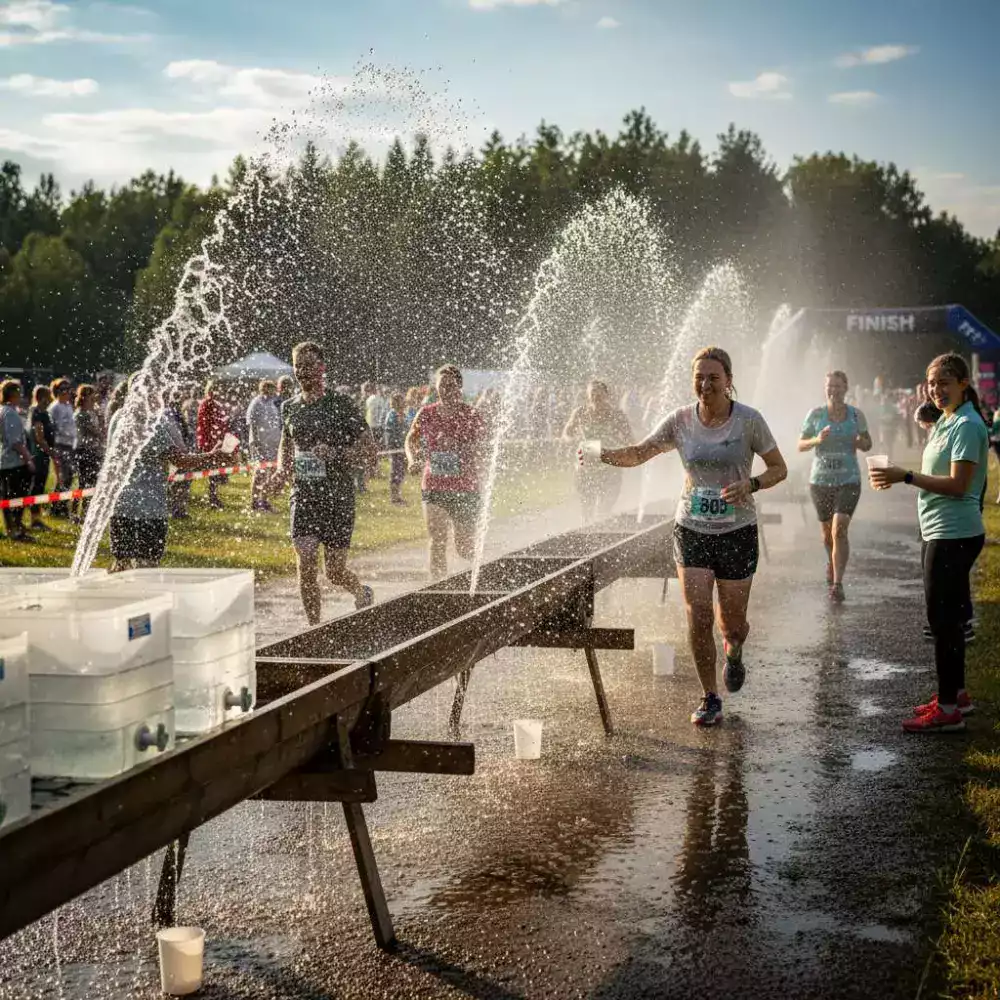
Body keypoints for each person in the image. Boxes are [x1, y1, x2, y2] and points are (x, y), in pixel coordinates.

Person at [592, 346, 787, 727]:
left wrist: (752, 484)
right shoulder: (680, 420)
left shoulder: (749, 421)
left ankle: (733, 651)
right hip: (692, 528)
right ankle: (710, 696)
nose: (705, 383)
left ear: (729, 381)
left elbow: (779, 468)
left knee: (732, 625)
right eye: (699, 376)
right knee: (697, 617)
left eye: (714, 376)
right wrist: (601, 455)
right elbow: (640, 452)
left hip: (737, 531)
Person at [869, 353, 988, 733]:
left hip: (954, 532)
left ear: (963, 384)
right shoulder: (948, 420)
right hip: (939, 529)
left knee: (944, 621)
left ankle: (949, 710)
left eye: (944, 383)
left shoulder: (967, 425)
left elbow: (958, 486)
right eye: (931, 383)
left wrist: (905, 476)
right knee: (947, 618)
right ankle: (958, 695)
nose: (936, 390)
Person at [269, 341, 376, 625]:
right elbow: (286, 444)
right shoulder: (290, 407)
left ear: (322, 368)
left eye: (308, 366)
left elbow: (370, 450)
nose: (302, 372)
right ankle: (313, 629)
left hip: (338, 497)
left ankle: (360, 590)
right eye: (298, 366)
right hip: (303, 495)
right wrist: (281, 470)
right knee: (305, 563)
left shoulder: (341, 404)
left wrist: (337, 452)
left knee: (335, 571)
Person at [107, 377, 227, 572]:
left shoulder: (118, 417)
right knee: (147, 568)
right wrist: (212, 456)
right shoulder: (151, 424)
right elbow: (181, 461)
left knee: (121, 565)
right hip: (148, 508)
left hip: (120, 506)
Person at [405, 365, 488, 581]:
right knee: (437, 541)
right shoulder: (427, 413)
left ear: (459, 387)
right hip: (434, 485)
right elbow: (410, 439)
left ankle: (484, 575)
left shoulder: (470, 414)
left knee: (464, 548)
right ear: (436, 387)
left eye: (451, 385)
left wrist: (460, 446)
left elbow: (483, 449)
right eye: (442, 386)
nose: (446, 390)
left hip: (465, 487)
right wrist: (413, 459)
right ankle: (438, 590)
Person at [797, 371, 872, 602]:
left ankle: (837, 584)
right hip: (820, 481)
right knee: (827, 535)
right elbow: (800, 445)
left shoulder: (856, 415)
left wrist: (860, 442)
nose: (834, 390)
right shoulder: (816, 415)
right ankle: (831, 561)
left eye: (838, 386)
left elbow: (868, 443)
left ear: (846, 388)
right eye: (830, 386)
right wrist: (817, 440)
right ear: (825, 388)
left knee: (839, 528)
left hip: (848, 480)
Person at [562, 380, 632, 524]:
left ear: (607, 395)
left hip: (609, 458)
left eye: (599, 393)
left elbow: (629, 439)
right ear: (588, 395)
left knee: (606, 503)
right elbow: (567, 432)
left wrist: (632, 453)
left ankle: (603, 521)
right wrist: (572, 441)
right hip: (587, 458)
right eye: (593, 393)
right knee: (586, 503)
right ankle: (586, 525)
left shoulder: (616, 414)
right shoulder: (580, 412)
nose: (596, 396)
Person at [0, 380, 35, 541]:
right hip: (13, 462)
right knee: (16, 497)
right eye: (19, 393)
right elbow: (16, 441)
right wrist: (28, 459)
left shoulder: (3, 410)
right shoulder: (11, 413)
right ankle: (15, 529)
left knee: (7, 498)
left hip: (4, 460)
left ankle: (11, 528)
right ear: (13, 394)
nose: (21, 396)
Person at [246, 379, 282, 513]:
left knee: (270, 474)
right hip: (260, 444)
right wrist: (256, 443)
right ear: (266, 389)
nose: (275, 392)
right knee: (259, 474)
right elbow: (252, 424)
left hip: (273, 444)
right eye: (272, 389)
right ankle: (254, 502)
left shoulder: (272, 404)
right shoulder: (256, 403)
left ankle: (264, 501)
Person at [73, 383, 105, 523]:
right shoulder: (81, 414)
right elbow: (97, 433)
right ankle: (75, 514)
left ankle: (85, 513)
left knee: (90, 484)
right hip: (85, 451)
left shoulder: (90, 413)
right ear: (85, 398)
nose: (94, 400)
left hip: (92, 451)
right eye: (92, 398)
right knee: (83, 484)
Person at [196, 380, 229, 510]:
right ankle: (212, 499)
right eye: (217, 389)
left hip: (215, 441)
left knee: (215, 472)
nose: (220, 392)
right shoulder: (208, 403)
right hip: (210, 442)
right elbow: (205, 425)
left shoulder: (214, 403)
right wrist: (211, 443)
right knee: (212, 472)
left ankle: (213, 498)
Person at [26, 384, 54, 532]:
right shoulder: (37, 413)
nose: (51, 398)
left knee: (40, 486)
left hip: (42, 455)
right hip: (39, 455)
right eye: (49, 395)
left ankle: (36, 519)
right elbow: (39, 436)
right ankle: (34, 520)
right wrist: (50, 452)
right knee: (37, 486)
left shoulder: (43, 412)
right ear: (43, 397)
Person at [48, 378, 76, 518]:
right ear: (57, 391)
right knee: (62, 476)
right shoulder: (55, 407)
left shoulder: (68, 406)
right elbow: (53, 428)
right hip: (59, 444)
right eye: (63, 389)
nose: (66, 392)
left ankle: (61, 505)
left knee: (69, 476)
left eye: (68, 389)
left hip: (69, 444)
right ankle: (55, 507)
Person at [383, 391, 409, 505]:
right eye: (403, 401)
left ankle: (397, 496)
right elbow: (391, 432)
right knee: (396, 471)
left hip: (401, 447)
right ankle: (394, 497)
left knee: (401, 471)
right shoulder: (393, 414)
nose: (405, 403)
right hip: (396, 447)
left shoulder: (401, 414)